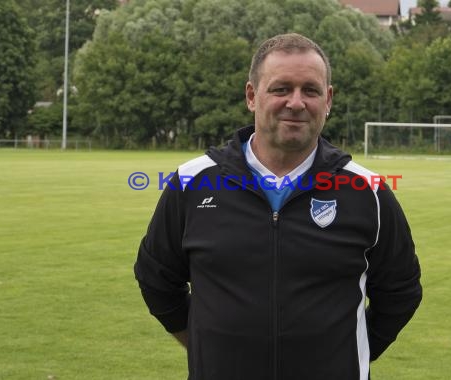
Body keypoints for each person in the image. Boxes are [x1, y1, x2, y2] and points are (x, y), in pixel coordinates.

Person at [134, 33, 422, 380]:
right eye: (281, 89)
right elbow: (157, 279)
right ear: (252, 96)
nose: (296, 103)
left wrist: (349, 352)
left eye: (310, 90)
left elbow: (400, 292)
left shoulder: (368, 192)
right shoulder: (191, 183)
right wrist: (205, 344)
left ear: (328, 100)